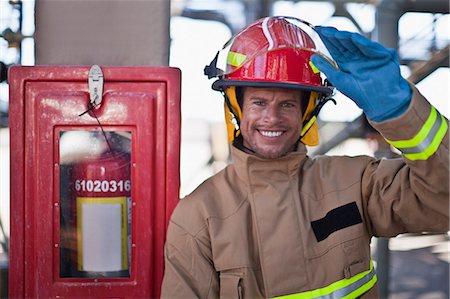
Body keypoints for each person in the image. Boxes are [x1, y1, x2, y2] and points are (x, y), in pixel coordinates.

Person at [161, 16, 449, 298]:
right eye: (259, 102)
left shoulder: (357, 182)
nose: (272, 118)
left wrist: (403, 112)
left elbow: (442, 199)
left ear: (307, 112)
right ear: (236, 108)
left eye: (287, 104)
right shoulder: (197, 217)